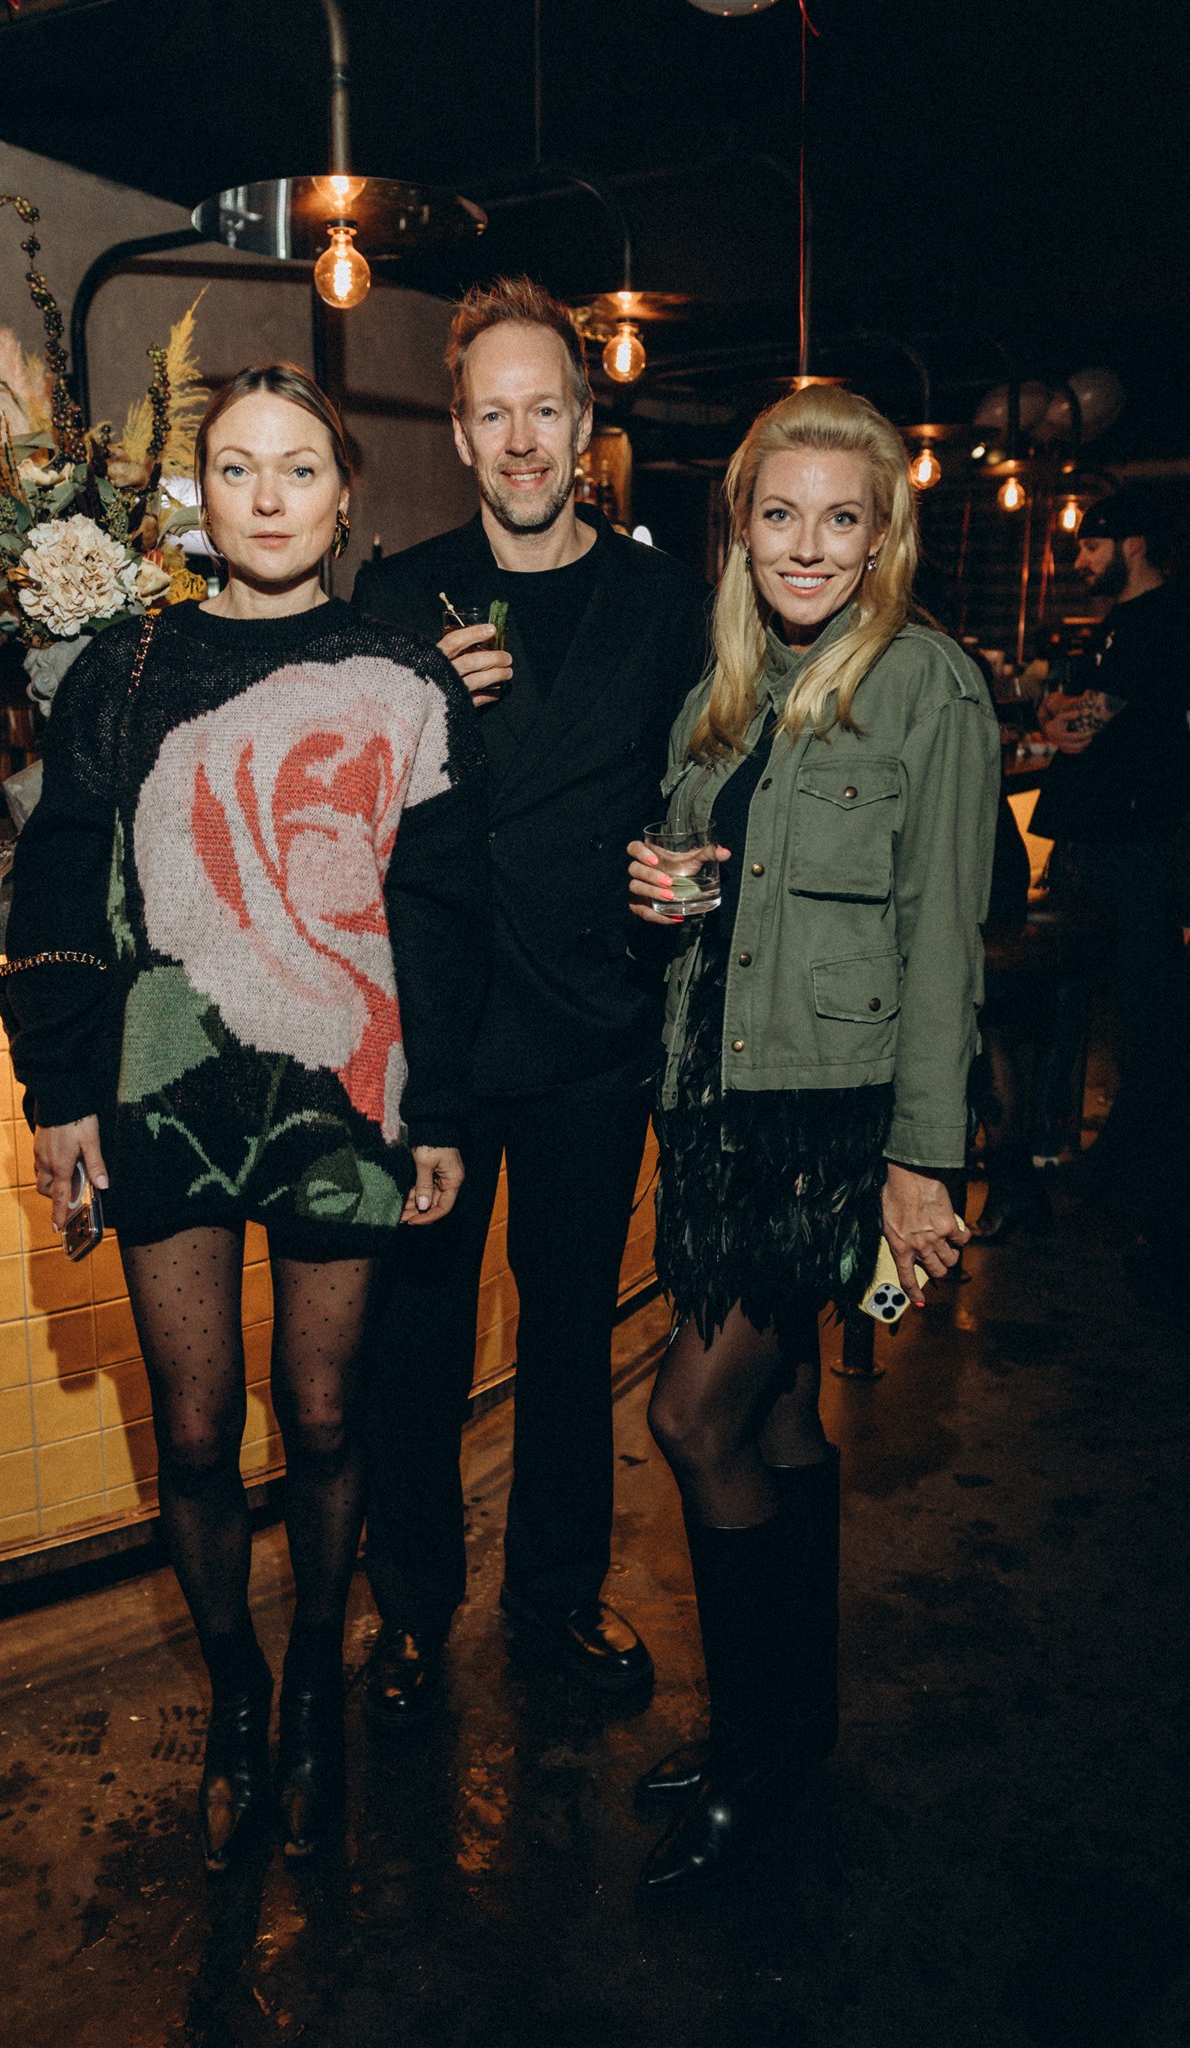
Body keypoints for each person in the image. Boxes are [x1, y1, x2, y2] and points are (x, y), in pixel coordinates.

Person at [0, 363, 489, 1870]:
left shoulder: (406, 678)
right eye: (236, 469)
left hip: (347, 1091)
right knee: (201, 1431)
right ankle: (237, 1692)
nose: (267, 498)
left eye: (299, 470)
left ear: (345, 499)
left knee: (326, 1415)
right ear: (197, 498)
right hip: (166, 1085)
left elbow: (443, 913)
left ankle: (321, 1684)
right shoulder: (124, 669)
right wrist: (59, 1091)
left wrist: (440, 1107)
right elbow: (59, 887)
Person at [627, 383, 998, 1893]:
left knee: (692, 1420)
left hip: (828, 1127)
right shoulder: (728, 685)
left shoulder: (929, 687)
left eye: (841, 518)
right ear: (741, 524)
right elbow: (727, 886)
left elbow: (944, 941)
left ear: (883, 534)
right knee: (778, 1421)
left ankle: (754, 1765)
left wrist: (922, 1162)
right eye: (780, 513)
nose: (806, 544)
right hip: (719, 1105)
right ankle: (793, 1734)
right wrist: (667, 889)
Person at [351, 277, 710, 1727]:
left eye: (543, 410)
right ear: (457, 431)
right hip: (434, 1044)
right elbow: (337, 825)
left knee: (570, 1336)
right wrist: (413, 707)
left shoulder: (663, 600)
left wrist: (695, 874)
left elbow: (709, 781)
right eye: (492, 414)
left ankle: (556, 1596)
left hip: (588, 1033)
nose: (519, 440)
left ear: (582, 424)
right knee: (416, 1350)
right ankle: (411, 1610)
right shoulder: (398, 598)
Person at [1027, 489, 1189, 1153]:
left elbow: (1074, 726)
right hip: (1101, 833)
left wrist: (1057, 717)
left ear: (1134, 546)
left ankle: (1132, 1151)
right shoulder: (1123, 619)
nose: (1080, 561)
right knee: (1081, 985)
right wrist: (1060, 712)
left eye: (1092, 547)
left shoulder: (1160, 616)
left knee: (1132, 991)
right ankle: (1060, 1137)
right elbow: (1069, 709)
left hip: (1130, 840)